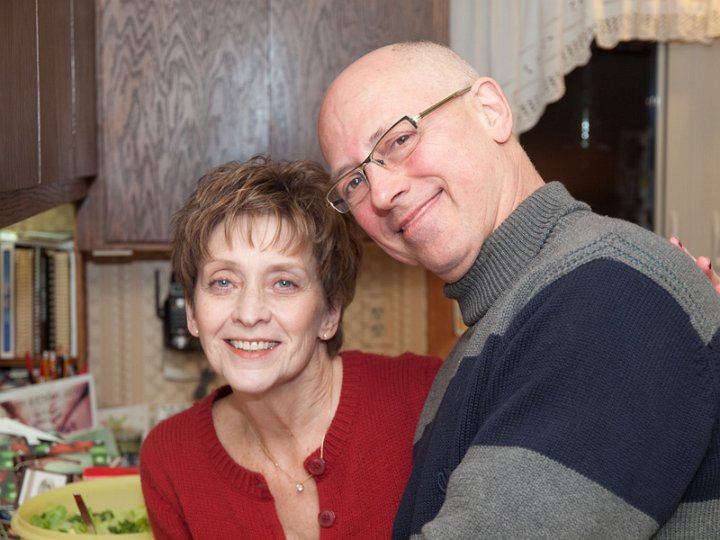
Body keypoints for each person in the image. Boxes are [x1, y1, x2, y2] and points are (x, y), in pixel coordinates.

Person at [318, 41, 720, 539]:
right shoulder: (511, 319)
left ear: (491, 111)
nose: (380, 193)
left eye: (399, 140)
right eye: (354, 181)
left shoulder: (608, 292)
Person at [139, 156, 441, 539]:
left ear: (330, 312)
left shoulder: (425, 398)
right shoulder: (170, 458)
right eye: (223, 282)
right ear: (194, 312)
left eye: (283, 283)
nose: (249, 314)